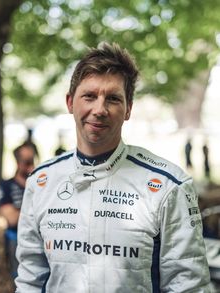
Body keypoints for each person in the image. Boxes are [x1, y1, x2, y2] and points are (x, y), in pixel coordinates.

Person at [15, 43, 211, 292]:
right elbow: (30, 280)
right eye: (89, 96)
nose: (99, 110)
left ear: (128, 108)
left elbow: (189, 285)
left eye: (113, 98)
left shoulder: (169, 187)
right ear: (70, 102)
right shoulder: (41, 181)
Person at [0, 143, 35, 280]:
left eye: (33, 160)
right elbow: (11, 219)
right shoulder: (5, 186)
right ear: (18, 162)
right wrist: (37, 209)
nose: (31, 166)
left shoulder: (38, 184)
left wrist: (20, 211)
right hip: (16, 238)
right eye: (27, 162)